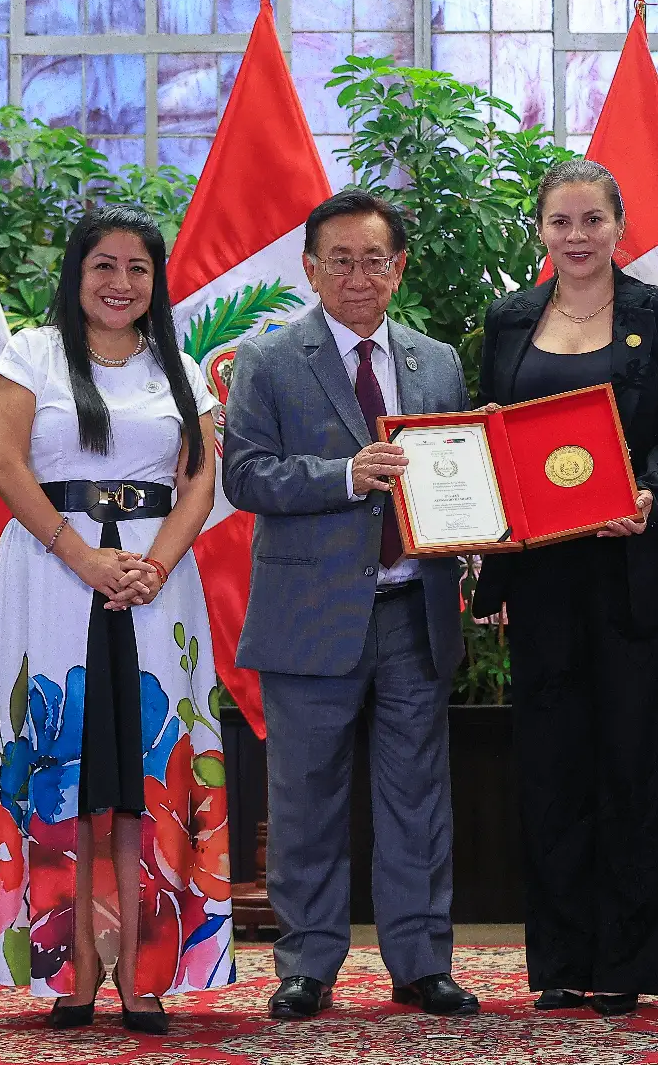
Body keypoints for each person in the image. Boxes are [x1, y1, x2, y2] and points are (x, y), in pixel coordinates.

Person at [0, 206, 234, 1032]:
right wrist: (84, 557)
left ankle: (147, 972)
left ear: (157, 282)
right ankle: (66, 970)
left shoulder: (178, 366)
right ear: (76, 275)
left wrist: (157, 564)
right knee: (61, 770)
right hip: (50, 575)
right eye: (103, 267)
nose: (120, 284)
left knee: (145, 778)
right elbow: (3, 466)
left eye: (138, 269)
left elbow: (199, 485)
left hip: (156, 584)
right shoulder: (30, 356)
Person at [471, 159, 658, 1017]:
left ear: (621, 227)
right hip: (540, 577)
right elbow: (493, 438)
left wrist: (650, 493)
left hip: (639, 572)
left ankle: (625, 965)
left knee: (637, 767)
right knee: (549, 770)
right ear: (539, 230)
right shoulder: (508, 319)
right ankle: (558, 964)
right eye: (560, 221)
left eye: (592, 220)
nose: (576, 236)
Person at [222, 189, 480, 1021]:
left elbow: (457, 472)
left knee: (418, 798)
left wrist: (475, 528)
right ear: (309, 268)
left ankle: (420, 963)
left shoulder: (437, 360)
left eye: (375, 259)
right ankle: (307, 966)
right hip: (308, 614)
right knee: (305, 799)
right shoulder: (266, 359)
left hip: (416, 610)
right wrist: (342, 476)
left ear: (398, 269)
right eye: (340, 259)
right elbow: (244, 475)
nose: (358, 275)